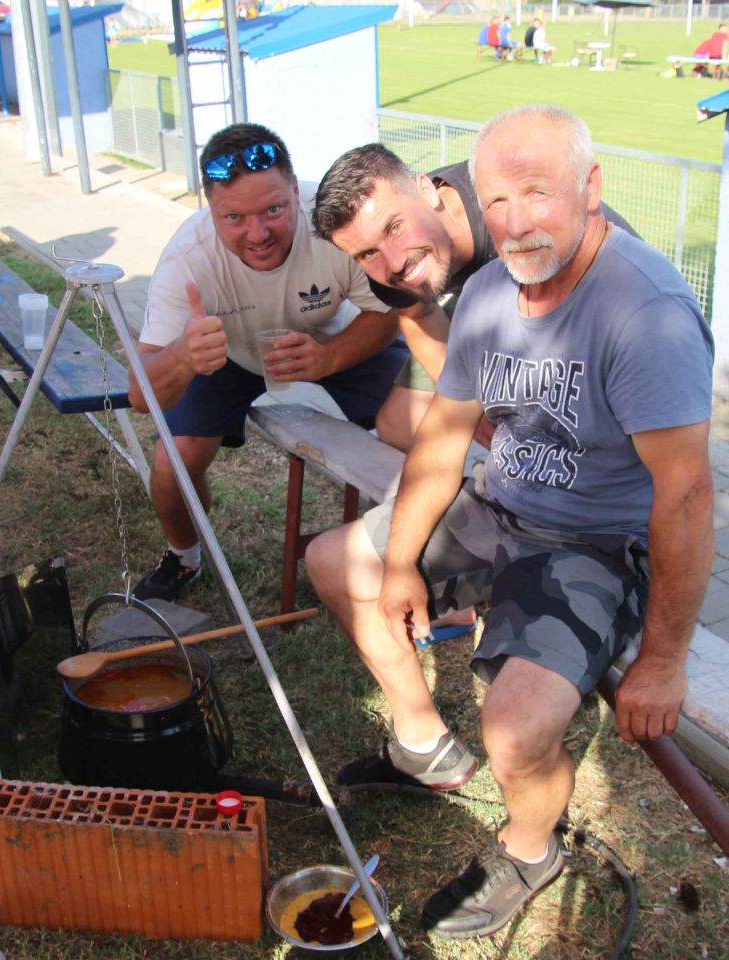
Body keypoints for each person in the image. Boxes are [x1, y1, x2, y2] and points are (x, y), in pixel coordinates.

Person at [305, 104, 713, 940]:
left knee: (515, 729)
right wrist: (403, 562)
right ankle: (422, 749)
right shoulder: (489, 291)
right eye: (498, 201)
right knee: (333, 561)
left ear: (591, 189)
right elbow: (445, 440)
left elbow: (684, 499)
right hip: (500, 504)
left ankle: (531, 850)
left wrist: (665, 660)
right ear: (470, 202)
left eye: (538, 192)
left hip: (592, 545)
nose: (517, 220)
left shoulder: (647, 314)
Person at [128, 122, 407, 602]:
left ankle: (421, 547)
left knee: (416, 417)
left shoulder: (333, 219)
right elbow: (139, 394)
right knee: (174, 462)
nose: (257, 234)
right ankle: (183, 556)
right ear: (210, 210)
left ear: (298, 192)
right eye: (233, 217)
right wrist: (182, 355)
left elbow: (388, 312)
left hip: (330, 337)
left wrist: (328, 356)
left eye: (274, 210)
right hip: (226, 353)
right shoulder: (188, 258)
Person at [312, 143, 634, 453]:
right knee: (398, 423)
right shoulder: (390, 264)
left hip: (598, 306)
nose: (394, 262)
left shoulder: (514, 219)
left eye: (395, 228)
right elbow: (417, 315)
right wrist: (465, 401)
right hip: (474, 305)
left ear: (425, 190)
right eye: (367, 253)